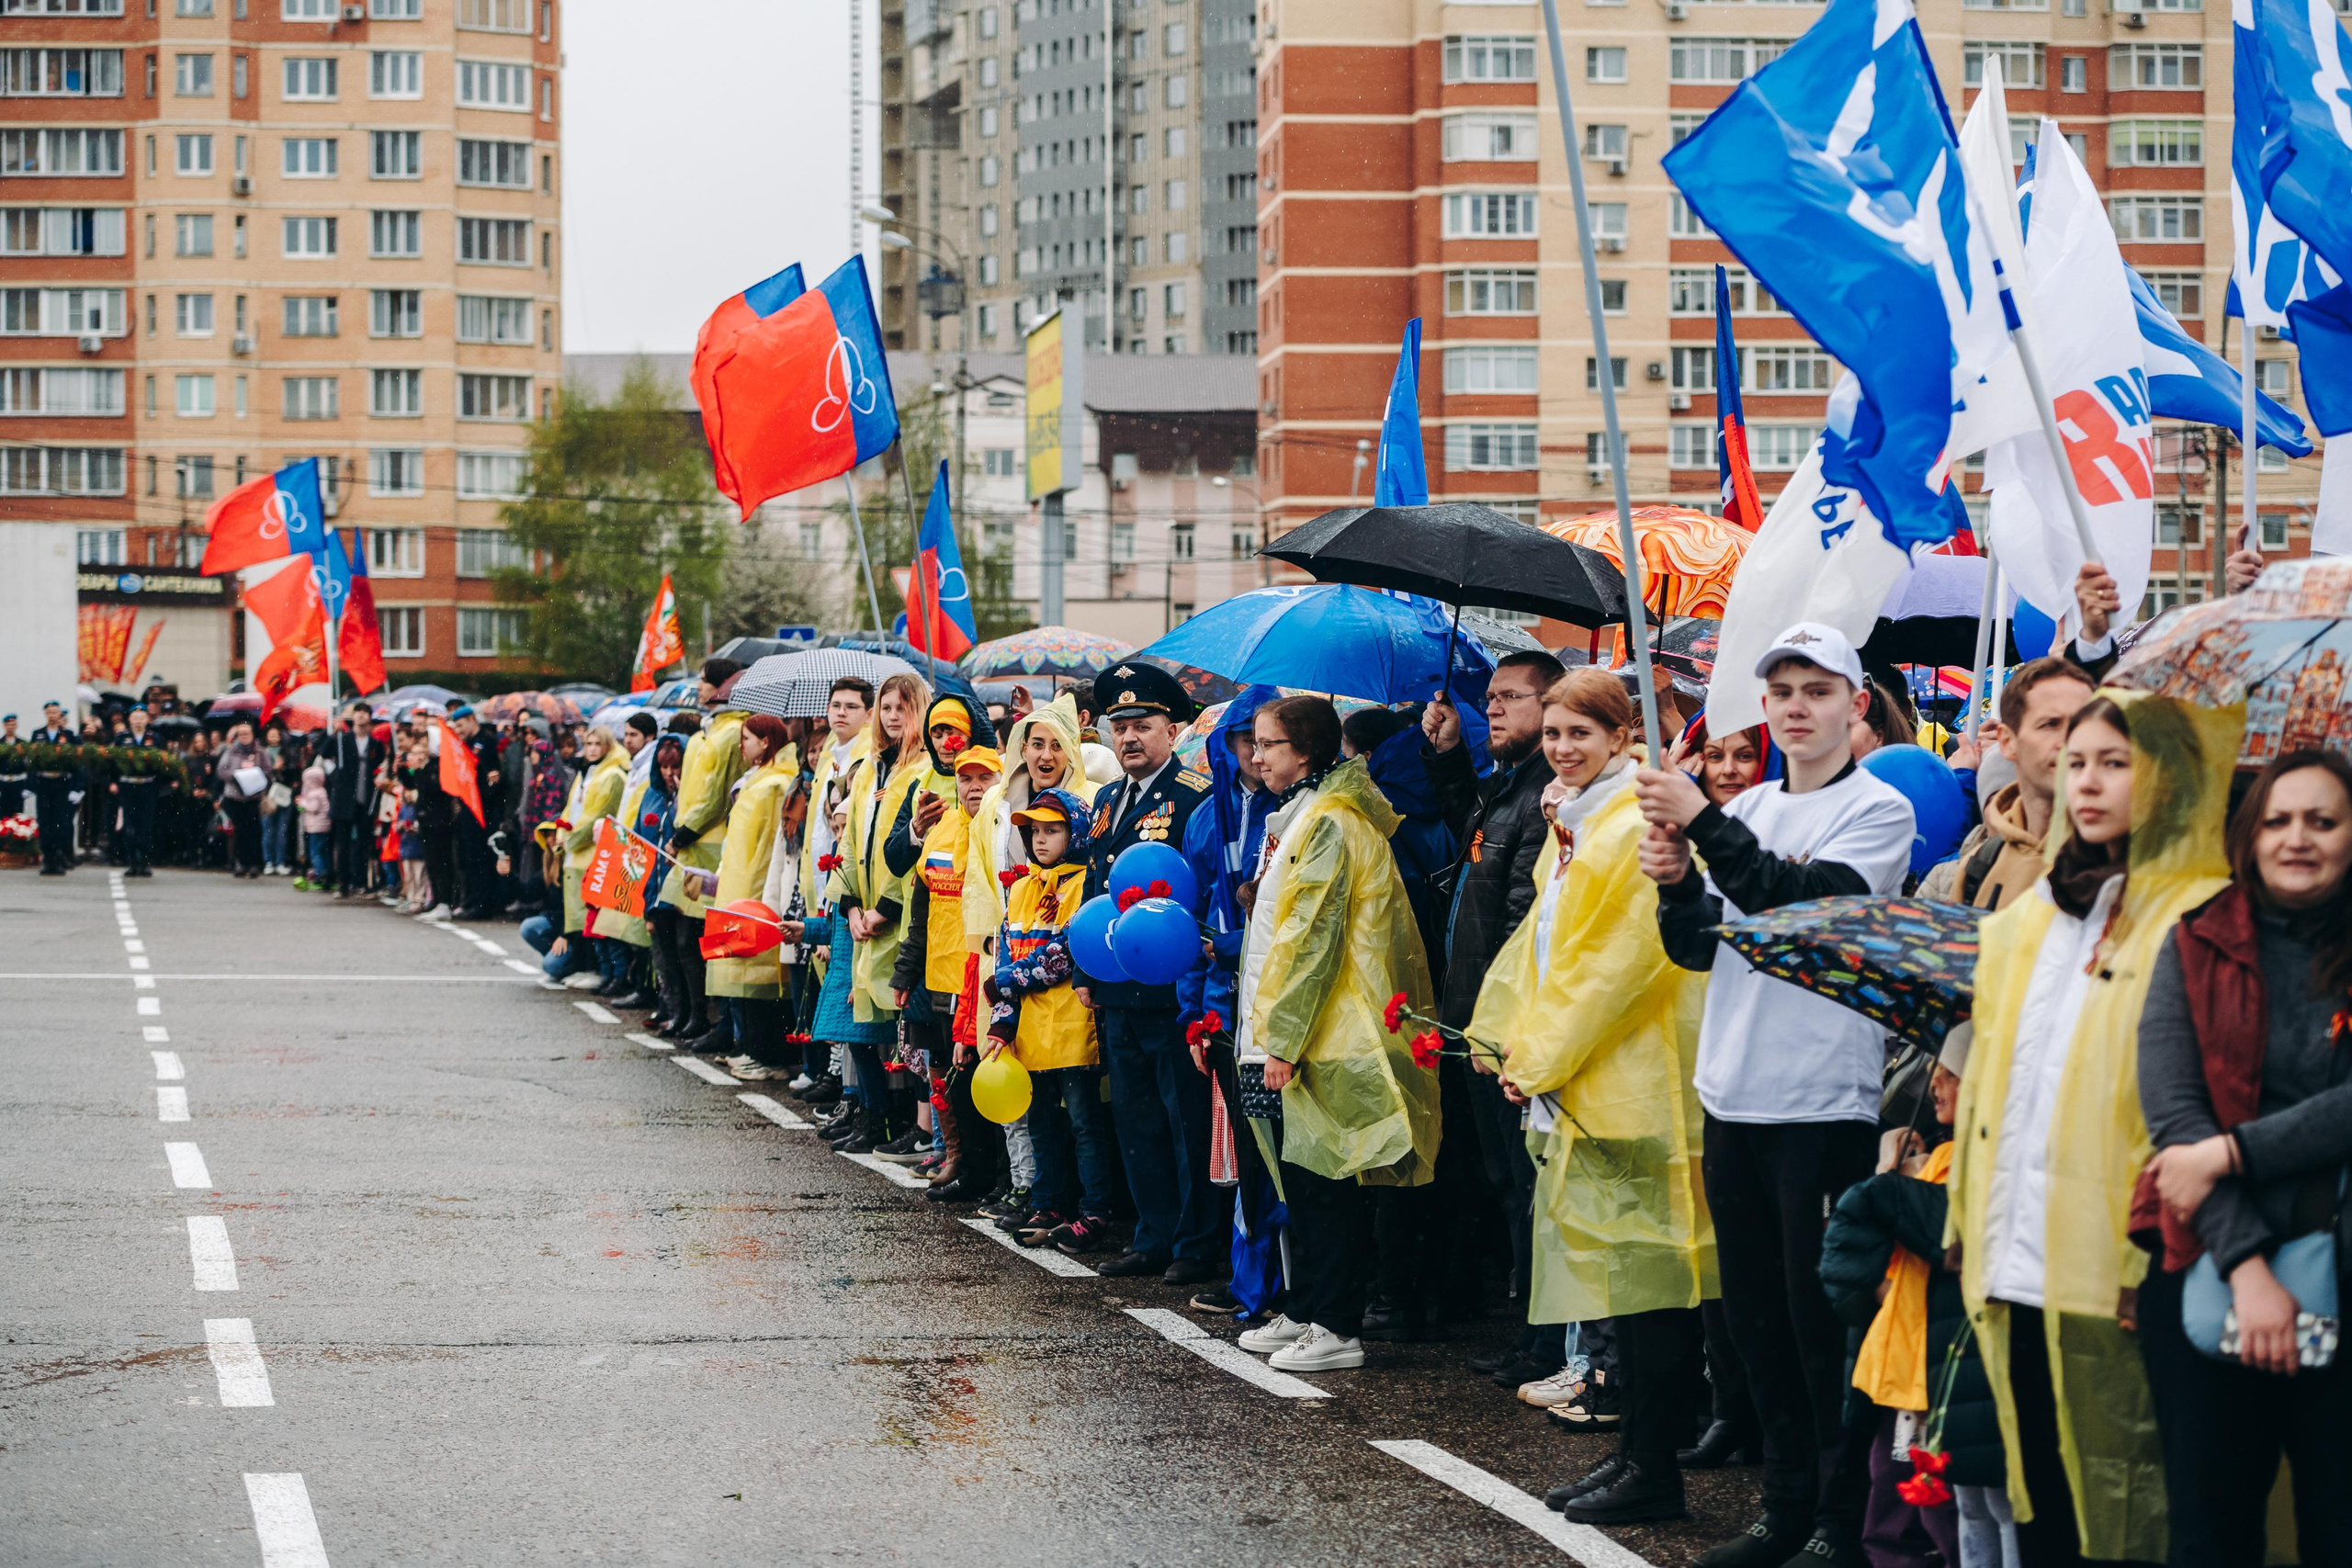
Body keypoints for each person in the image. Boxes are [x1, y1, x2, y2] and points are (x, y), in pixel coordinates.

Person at [1638, 622, 1917, 1568]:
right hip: (1736, 1094)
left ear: (1855, 704)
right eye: (1783, 691)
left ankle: (1841, 1525)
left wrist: (1703, 828)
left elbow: (1800, 914)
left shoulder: (1878, 813)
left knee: (1818, 1328)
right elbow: (1696, 947)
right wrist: (1677, 884)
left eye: (1817, 691)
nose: (1797, 707)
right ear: (1763, 706)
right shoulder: (1749, 803)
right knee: (1754, 1321)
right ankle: (1783, 1509)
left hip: (1821, 1103)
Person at [1949, 691, 2238, 1568]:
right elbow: (1996, 1078)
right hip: (2018, 1255)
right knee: (2040, 1490)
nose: (2090, 783)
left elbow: (2199, 1100)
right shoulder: (2037, 914)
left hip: (2126, 1264)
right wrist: (1969, 1220)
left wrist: (2140, 1256)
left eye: (2117, 763)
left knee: (2131, 1498)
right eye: (2078, 763)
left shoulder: (2203, 911)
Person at [1462, 670, 1714, 1523]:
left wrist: (1537, 1053)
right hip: (1588, 1078)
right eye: (1556, 733)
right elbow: (1541, 947)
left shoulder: (1625, 823)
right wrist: (1506, 1038)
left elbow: (1615, 966)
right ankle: (1635, 1455)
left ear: (1621, 737)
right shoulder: (1576, 820)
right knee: (1620, 1285)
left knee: (1646, 1288)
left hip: (1633, 1083)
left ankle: (1653, 1464)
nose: (1563, 748)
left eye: (1581, 733)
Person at [2133, 748, 2352, 1567]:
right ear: (2250, 834)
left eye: (2323, 821)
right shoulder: (2194, 941)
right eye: (2280, 819)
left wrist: (2232, 1151)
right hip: (2207, 1263)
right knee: (2211, 1527)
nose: (2298, 838)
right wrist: (2249, 1269)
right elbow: (2174, 1116)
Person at [1232, 695, 1441, 1374]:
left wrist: (1284, 1039)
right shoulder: (1300, 815)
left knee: (1327, 1184)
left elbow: (1314, 938)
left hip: (1324, 1031)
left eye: (1270, 743)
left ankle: (1335, 1322)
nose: (1257, 756)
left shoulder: (1327, 820)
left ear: (1309, 752)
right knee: (1299, 1176)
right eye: (1256, 743)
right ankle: (1305, 1305)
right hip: (1296, 1029)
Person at [1421, 649, 1570, 1388]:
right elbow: (1471, 839)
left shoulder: (1549, 799)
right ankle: (1531, 1330)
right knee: (1504, 1183)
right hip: (1475, 1021)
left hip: (1506, 1026)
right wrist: (1448, 755)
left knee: (1527, 1185)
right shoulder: (1509, 788)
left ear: (1552, 706)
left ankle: (1545, 1341)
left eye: (1513, 696)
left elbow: (1524, 929)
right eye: (1492, 696)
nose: (1497, 708)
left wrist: (1508, 1027)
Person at [1818, 1029, 2004, 1568]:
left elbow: (1938, 1236)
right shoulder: (1938, 1158)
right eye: (1938, 1068)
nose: (1935, 1080)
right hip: (1901, 1362)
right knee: (1892, 1495)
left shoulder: (1968, 1163)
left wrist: (1894, 1184)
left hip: (1934, 1368)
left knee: (1942, 1507)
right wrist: (1892, 1174)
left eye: (1953, 1072)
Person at [1075, 661, 1217, 1281]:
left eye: (1142, 724)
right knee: (1134, 1118)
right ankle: (1151, 1232)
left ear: (1172, 727)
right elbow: (1094, 882)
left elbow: (1200, 889)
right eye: (1120, 725)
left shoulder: (1192, 795)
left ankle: (1195, 1242)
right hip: (1115, 984)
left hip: (1172, 988)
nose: (1128, 736)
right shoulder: (1107, 800)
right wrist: (1085, 968)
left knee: (1182, 1118)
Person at [963, 691, 1096, 1223]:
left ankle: (1093, 1207)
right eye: (1033, 743)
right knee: (1038, 1115)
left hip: (1071, 1020)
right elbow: (997, 917)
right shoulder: (1004, 820)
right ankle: (1041, 1197)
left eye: (1055, 744)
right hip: (1024, 1018)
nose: (1043, 755)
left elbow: (1069, 944)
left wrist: (1009, 981)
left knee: (1084, 1120)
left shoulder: (1083, 872)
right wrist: (1002, 1012)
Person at [894, 740, 1007, 1201]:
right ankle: (958, 1157)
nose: (975, 787)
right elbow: (920, 911)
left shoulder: (1000, 829)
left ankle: (994, 1172)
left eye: (985, 778)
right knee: (945, 1078)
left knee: (981, 1079)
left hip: (979, 978)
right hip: (936, 976)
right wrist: (905, 972)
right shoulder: (940, 830)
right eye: (967, 778)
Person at [828, 672, 937, 1148]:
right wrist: (851, 903)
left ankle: (906, 1123)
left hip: (898, 919)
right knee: (865, 1029)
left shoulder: (923, 769)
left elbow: (910, 854)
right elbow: (852, 841)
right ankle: (875, 1115)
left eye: (902, 708)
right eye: (886, 708)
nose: (893, 717)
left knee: (906, 1033)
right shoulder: (872, 766)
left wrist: (885, 909)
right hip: (864, 917)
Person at [1921, 659, 2098, 911]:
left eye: (2081, 724)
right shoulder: (1966, 874)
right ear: (2007, 741)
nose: (2070, 740)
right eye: (2051, 724)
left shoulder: (2125, 866)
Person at [699, 713, 798, 1077]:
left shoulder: (775, 784)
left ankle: (769, 1055)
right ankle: (750, 1046)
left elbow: (770, 844)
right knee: (740, 972)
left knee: (760, 979)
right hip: (738, 885)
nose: (741, 745)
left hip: (757, 888)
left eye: (747, 738)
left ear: (767, 742)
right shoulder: (757, 779)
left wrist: (761, 892)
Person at [661, 660, 748, 1047]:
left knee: (702, 938)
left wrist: (682, 833)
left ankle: (712, 1020)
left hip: (707, 845)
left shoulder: (730, 733)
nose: (698, 686)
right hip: (691, 842)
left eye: (703, 680)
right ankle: (691, 1012)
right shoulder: (707, 731)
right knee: (680, 936)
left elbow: (716, 797)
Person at [324, 703, 380, 899]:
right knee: (343, 843)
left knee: (364, 843)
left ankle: (361, 883)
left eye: (365, 713)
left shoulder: (375, 744)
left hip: (365, 799)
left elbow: (380, 766)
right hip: (344, 798)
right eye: (359, 713)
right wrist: (335, 777)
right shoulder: (341, 740)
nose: (361, 716)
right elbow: (322, 755)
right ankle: (343, 883)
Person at [112, 706, 164, 878]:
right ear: (130, 720)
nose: (138, 722)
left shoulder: (154, 738)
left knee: (146, 825)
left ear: (147, 720)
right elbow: (113, 762)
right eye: (135, 718)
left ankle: (145, 861)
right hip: (128, 787)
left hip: (147, 786)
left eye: (142, 718)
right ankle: (132, 861)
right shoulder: (121, 739)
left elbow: (163, 762)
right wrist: (113, 782)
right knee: (130, 825)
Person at [215, 720, 270, 880]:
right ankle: (240, 862)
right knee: (238, 831)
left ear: (252, 735)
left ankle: (253, 864)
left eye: (247, 733)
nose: (244, 737)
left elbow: (268, 770)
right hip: (235, 796)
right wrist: (237, 775)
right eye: (241, 734)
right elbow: (221, 771)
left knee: (253, 830)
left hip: (253, 796)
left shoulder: (260, 751)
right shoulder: (230, 751)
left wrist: (255, 773)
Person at [295, 750, 332, 890]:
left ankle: (320, 873)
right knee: (323, 850)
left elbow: (314, 808)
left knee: (315, 851)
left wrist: (302, 804)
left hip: (316, 827)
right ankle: (327, 872)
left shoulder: (315, 793)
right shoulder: (322, 791)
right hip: (323, 826)